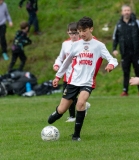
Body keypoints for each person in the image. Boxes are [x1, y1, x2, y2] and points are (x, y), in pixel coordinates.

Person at [48, 16, 118, 141]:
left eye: (84, 31)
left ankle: (76, 136)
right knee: (61, 110)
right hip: (73, 81)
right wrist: (58, 76)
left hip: (88, 82)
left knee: (80, 104)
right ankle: (57, 113)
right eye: (79, 31)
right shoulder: (75, 45)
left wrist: (111, 64)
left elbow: (112, 59)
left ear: (91, 29)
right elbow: (66, 62)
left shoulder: (99, 46)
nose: (81, 34)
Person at [53, 22, 91, 122]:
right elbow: (60, 58)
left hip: (80, 76)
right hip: (68, 75)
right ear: (68, 33)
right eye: (71, 33)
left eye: (75, 33)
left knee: (74, 96)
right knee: (67, 96)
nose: (73, 35)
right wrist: (57, 65)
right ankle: (72, 116)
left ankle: (80, 107)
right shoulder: (65, 44)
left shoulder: (85, 44)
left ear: (79, 32)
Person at [112, 5, 139, 96]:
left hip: (136, 53)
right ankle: (125, 90)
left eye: (128, 10)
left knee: (138, 71)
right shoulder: (119, 24)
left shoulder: (136, 22)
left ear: (130, 11)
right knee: (126, 72)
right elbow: (115, 38)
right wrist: (114, 49)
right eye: (125, 10)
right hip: (125, 53)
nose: (127, 12)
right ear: (122, 12)